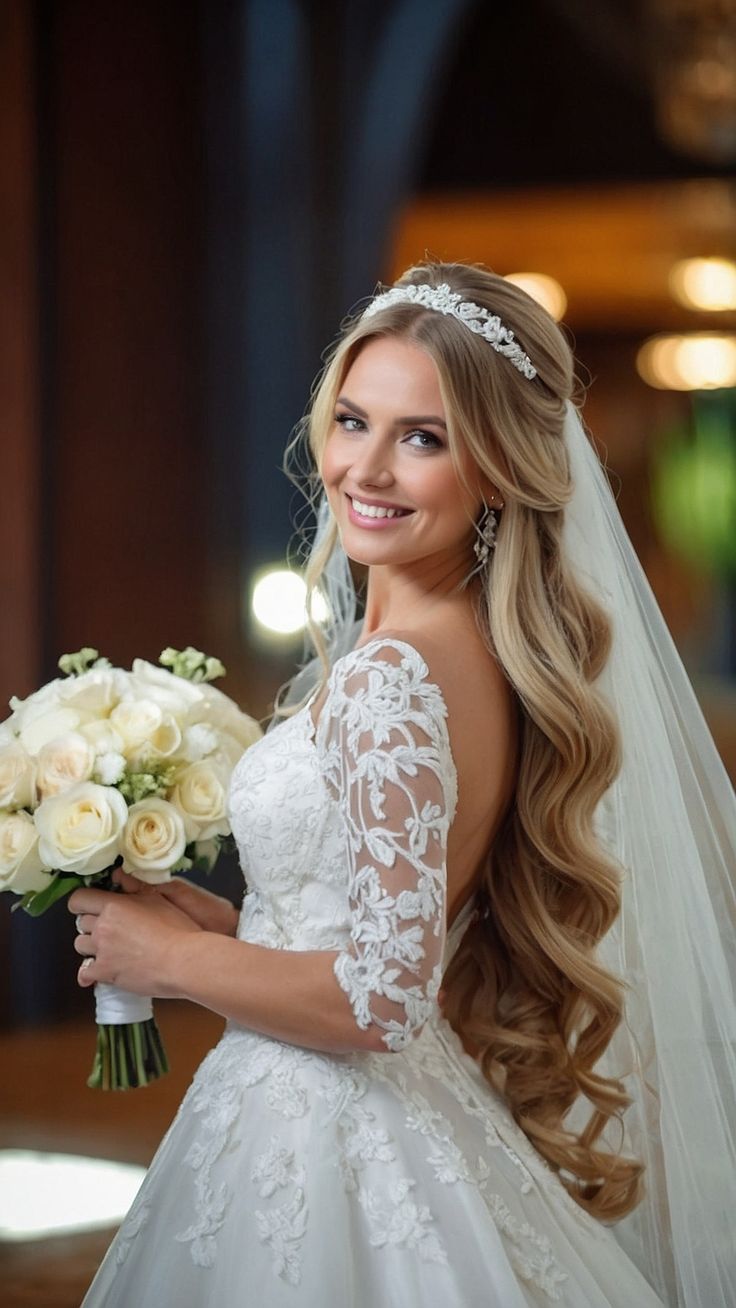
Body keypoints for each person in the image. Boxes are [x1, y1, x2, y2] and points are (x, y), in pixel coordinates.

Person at [68, 262, 736, 1307]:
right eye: (351, 421)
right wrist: (234, 935)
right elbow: (379, 930)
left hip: (329, 1130)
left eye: (421, 437)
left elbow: (383, 998)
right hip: (366, 1112)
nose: (364, 470)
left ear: (500, 469)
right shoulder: (461, 650)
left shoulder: (394, 678)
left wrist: (176, 956)